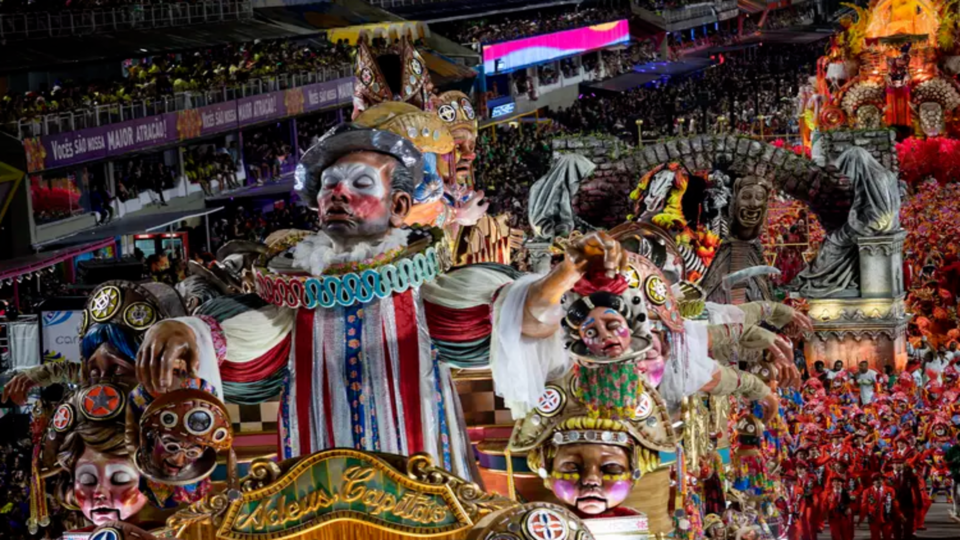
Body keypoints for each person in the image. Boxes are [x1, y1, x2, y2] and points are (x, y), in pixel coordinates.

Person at [859, 474, 899, 540]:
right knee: (875, 537)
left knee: (888, 536)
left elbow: (895, 504)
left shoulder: (890, 490)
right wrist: (861, 518)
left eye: (880, 479)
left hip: (887, 517)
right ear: (873, 481)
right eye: (876, 480)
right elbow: (864, 506)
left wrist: (899, 514)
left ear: (883, 480)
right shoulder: (867, 491)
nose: (878, 481)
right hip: (873, 518)